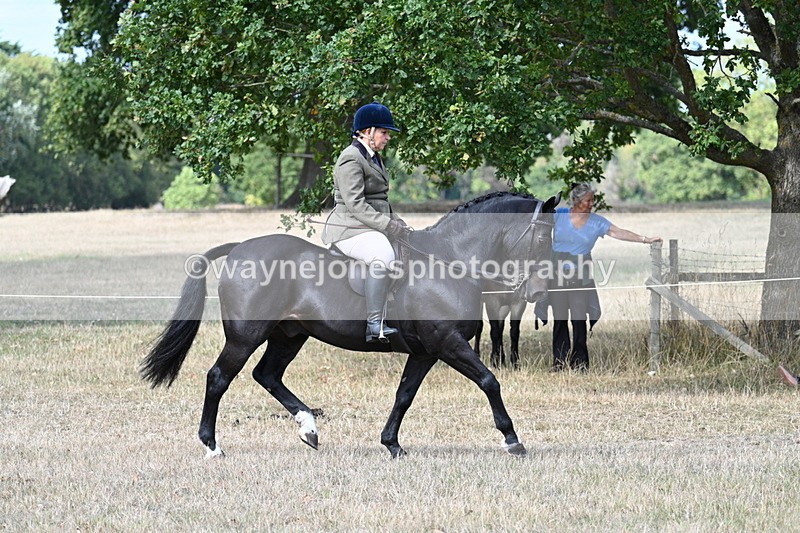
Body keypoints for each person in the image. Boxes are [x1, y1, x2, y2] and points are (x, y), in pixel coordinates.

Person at [322, 102, 411, 343]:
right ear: (367, 131)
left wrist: (398, 223)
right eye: (384, 132)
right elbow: (356, 204)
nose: (388, 137)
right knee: (383, 255)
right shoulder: (350, 159)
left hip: (367, 225)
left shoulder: (372, 158)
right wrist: (387, 226)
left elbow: (379, 200)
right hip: (349, 228)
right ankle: (375, 325)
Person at [549, 182, 662, 371]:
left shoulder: (597, 221)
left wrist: (645, 239)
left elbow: (618, 232)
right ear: (576, 201)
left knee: (578, 319)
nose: (592, 203)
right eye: (588, 200)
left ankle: (580, 364)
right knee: (559, 318)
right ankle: (559, 363)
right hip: (555, 273)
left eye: (593, 200)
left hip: (581, 274)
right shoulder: (558, 215)